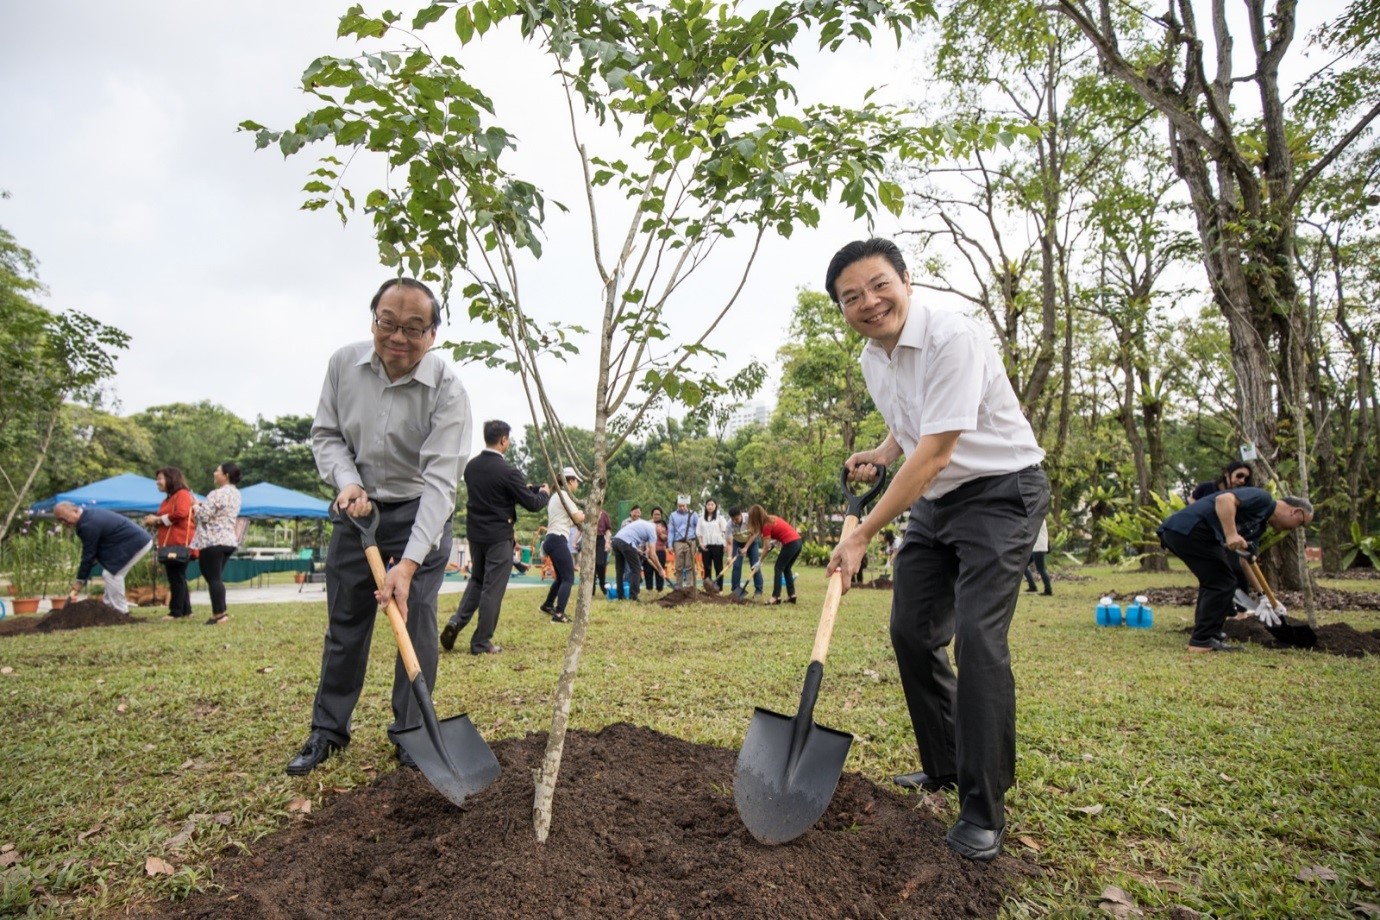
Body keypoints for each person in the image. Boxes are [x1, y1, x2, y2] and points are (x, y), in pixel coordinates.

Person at [824, 237, 1049, 862]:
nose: (869, 302)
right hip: (936, 499)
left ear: (905, 280)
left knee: (979, 639)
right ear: (842, 309)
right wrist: (881, 453)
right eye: (851, 297)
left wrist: (863, 532)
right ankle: (945, 764)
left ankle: (984, 806)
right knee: (912, 631)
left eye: (878, 285)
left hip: (1001, 492)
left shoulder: (955, 337)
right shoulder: (874, 358)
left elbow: (940, 448)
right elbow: (913, 428)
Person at [287, 277, 472, 777]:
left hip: (419, 510)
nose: (398, 338)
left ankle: (412, 735)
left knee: (417, 619)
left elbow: (439, 485)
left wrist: (408, 564)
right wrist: (347, 483)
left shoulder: (448, 391)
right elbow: (326, 435)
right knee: (346, 624)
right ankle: (328, 730)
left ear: (433, 334)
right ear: (373, 321)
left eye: (414, 328)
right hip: (359, 509)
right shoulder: (343, 365)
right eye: (387, 323)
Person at [1157, 488, 1313, 652]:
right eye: (1300, 524)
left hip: (1189, 534)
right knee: (1222, 582)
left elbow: (1247, 560)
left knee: (1215, 581)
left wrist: (1264, 597)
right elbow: (1224, 499)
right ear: (1296, 512)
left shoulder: (1259, 525)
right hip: (1190, 529)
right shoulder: (1263, 499)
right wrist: (1231, 534)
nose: (1294, 529)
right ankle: (1202, 641)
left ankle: (1208, 635)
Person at [441, 420, 548, 655]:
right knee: (492, 588)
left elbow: (493, 494)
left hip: (476, 535)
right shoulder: (509, 471)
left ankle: (456, 622)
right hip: (498, 536)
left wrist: (521, 487)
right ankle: (481, 642)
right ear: (503, 440)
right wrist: (544, 493)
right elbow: (532, 504)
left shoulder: (471, 467)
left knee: (477, 580)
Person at [54, 502, 154, 614]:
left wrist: (80, 581)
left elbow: (88, 555)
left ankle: (121, 612)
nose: (63, 523)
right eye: (60, 521)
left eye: (64, 518)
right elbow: (94, 550)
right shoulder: (88, 517)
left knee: (112, 574)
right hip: (132, 542)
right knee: (109, 574)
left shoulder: (87, 524)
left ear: (75, 510)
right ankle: (107, 609)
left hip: (137, 543)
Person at [191, 461, 243, 626]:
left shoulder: (216, 494)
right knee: (216, 578)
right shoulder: (236, 494)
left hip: (213, 540)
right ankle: (221, 612)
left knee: (213, 578)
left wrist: (195, 507)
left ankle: (219, 614)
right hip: (228, 539)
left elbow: (203, 516)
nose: (214, 473)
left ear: (226, 476)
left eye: (217, 470)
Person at [145, 467, 197, 621]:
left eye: (160, 478)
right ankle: (186, 611)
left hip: (179, 542)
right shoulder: (168, 498)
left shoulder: (182, 494)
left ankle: (176, 612)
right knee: (178, 576)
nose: (157, 482)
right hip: (170, 543)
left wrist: (157, 519)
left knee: (176, 576)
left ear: (171, 479)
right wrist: (154, 521)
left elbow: (181, 513)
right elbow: (169, 519)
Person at [540, 467, 586, 623]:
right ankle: (559, 614)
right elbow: (578, 517)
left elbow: (570, 520)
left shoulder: (555, 496)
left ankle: (547, 605)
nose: (577, 485)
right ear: (570, 481)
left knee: (560, 578)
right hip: (558, 539)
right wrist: (592, 513)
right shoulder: (564, 495)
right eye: (576, 482)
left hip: (552, 539)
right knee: (568, 577)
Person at [745, 505, 803, 605]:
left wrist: (760, 561)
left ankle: (775, 597)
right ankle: (792, 595)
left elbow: (766, 547)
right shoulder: (773, 518)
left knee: (778, 568)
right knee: (786, 568)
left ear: (755, 518)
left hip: (790, 543)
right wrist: (774, 541)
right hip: (798, 542)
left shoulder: (766, 526)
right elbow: (783, 531)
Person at [610, 515, 665, 601]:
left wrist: (639, 551)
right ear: (659, 526)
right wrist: (660, 569)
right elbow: (653, 554)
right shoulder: (652, 530)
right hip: (626, 542)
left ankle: (620, 595)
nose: (661, 534)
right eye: (662, 531)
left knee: (620, 570)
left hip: (616, 540)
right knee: (636, 569)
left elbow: (634, 538)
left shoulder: (644, 523)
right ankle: (633, 596)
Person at [726, 506, 764, 597]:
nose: (735, 521)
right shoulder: (729, 524)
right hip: (737, 543)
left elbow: (755, 534)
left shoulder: (749, 518)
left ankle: (758, 590)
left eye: (736, 519)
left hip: (751, 542)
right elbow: (729, 542)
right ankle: (735, 590)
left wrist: (746, 547)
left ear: (741, 514)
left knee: (755, 565)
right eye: (733, 519)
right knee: (736, 566)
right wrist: (729, 557)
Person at [667, 495, 700, 589]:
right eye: (680, 506)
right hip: (678, 542)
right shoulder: (673, 515)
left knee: (690, 565)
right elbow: (671, 531)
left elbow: (698, 528)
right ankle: (679, 586)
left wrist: (698, 543)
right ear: (677, 505)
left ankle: (690, 586)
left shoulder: (693, 514)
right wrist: (670, 545)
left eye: (683, 506)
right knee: (678, 566)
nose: (681, 508)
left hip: (690, 541)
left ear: (687, 505)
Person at [698, 499, 726, 589]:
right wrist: (701, 544)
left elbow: (724, 532)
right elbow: (699, 533)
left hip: (718, 545)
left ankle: (719, 588)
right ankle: (708, 589)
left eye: (712, 504)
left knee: (718, 567)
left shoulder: (720, 518)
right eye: (708, 504)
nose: (710, 506)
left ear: (715, 506)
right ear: (705, 506)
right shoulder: (701, 519)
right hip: (706, 546)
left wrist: (725, 545)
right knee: (707, 567)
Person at [1024, 518, 1052, 596]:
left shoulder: (1038, 519)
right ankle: (1032, 586)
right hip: (1036, 548)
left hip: (1038, 548)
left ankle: (1048, 590)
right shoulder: (1040, 518)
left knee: (1041, 569)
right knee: (1023, 565)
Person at [643, 506, 667, 592]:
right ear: (652, 515)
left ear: (661, 515)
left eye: (658, 514)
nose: (656, 516)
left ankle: (659, 589)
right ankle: (649, 589)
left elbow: (666, 538)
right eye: (655, 514)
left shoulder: (664, 525)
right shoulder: (647, 524)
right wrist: (646, 548)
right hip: (648, 551)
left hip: (660, 551)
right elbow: (644, 538)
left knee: (659, 569)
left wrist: (659, 533)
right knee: (648, 571)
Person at [593, 506, 612, 596]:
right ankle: (591, 589)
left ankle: (602, 583)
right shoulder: (588, 512)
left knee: (600, 564)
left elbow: (608, 530)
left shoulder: (604, 514)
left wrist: (607, 542)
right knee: (590, 565)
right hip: (590, 539)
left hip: (601, 539)